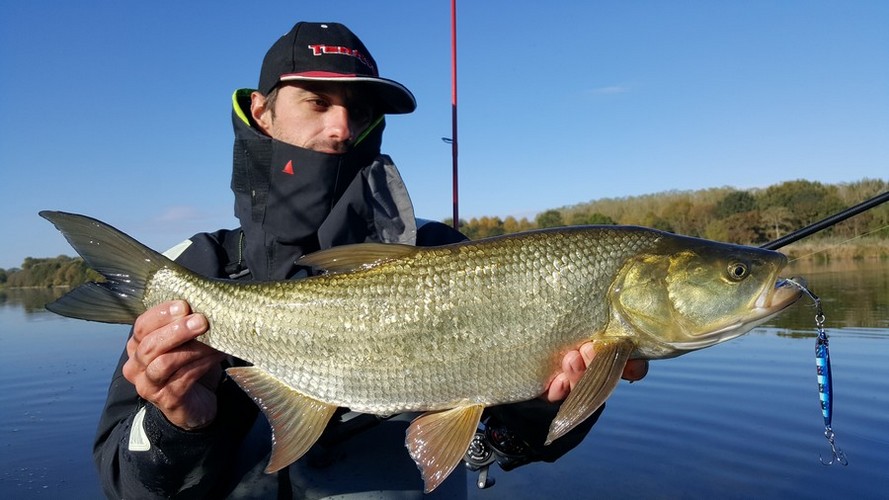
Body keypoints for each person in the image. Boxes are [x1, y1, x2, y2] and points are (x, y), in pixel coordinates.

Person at [92, 22, 648, 499]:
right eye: (317, 101)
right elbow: (124, 484)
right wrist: (178, 425)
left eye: (357, 110)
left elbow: (504, 445)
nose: (341, 127)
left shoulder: (443, 254)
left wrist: (538, 408)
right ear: (261, 112)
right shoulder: (192, 271)